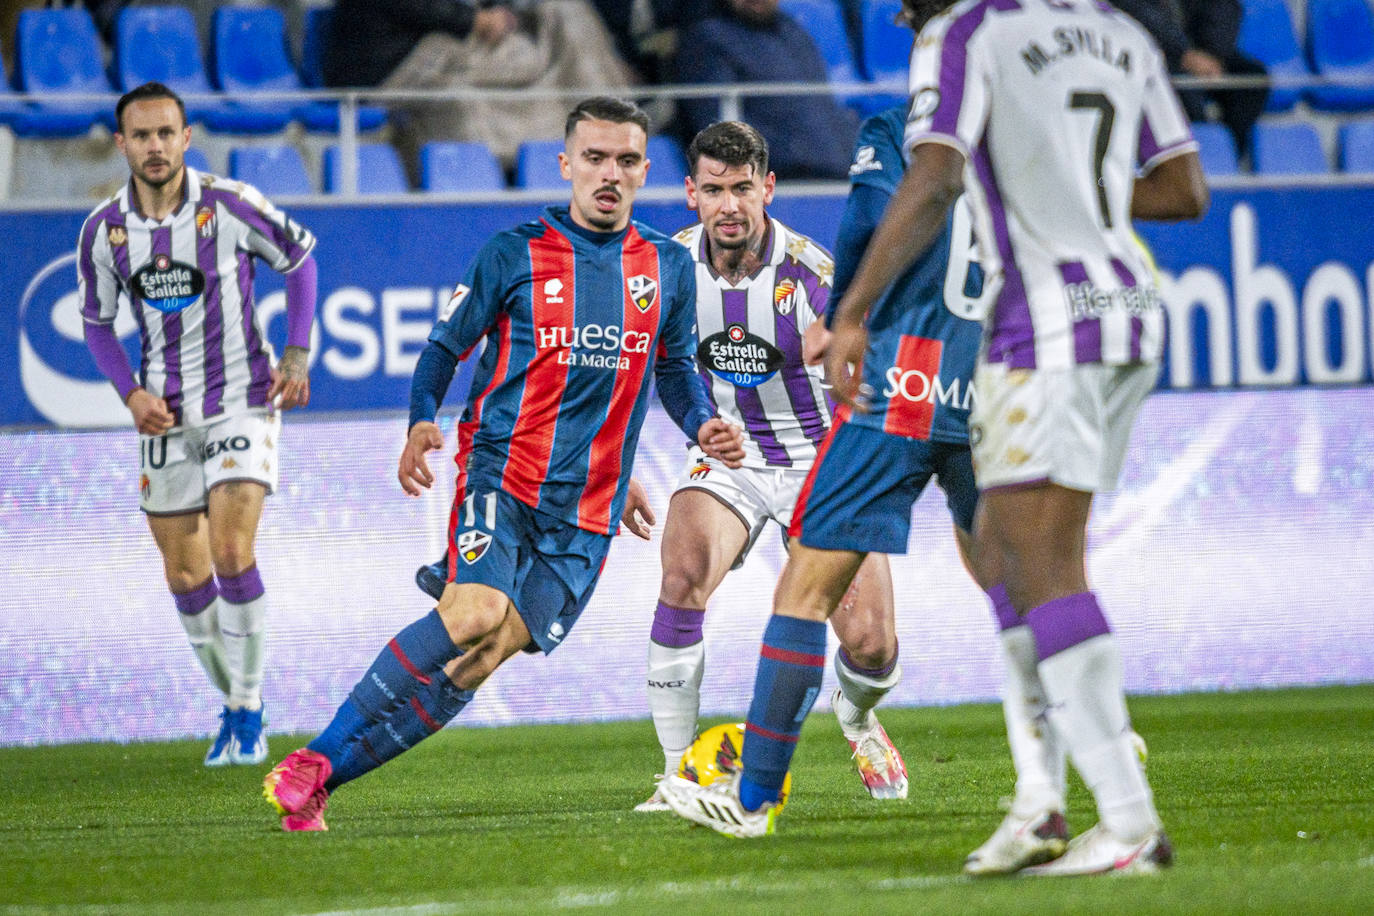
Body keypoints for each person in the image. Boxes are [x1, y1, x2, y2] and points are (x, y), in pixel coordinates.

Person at [663, 0, 1209, 878]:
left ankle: (755, 798)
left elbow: (917, 193)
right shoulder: (1119, 37)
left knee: (810, 587)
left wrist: (849, 314)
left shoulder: (929, 90)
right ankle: (1058, 784)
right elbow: (1184, 191)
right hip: (1069, 341)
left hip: (912, 378)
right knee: (1022, 577)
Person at [261, 96, 746, 832]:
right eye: (594, 158)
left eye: (625, 161)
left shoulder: (670, 266)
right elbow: (443, 348)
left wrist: (702, 422)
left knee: (484, 657)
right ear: (566, 165)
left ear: (646, 171)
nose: (608, 174)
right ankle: (314, 756)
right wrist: (423, 418)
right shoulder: (512, 251)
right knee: (473, 613)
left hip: (589, 509)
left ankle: (324, 781)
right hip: (502, 476)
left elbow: (673, 369)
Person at [631, 120, 907, 812]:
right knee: (682, 570)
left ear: (769, 189)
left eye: (744, 189)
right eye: (715, 190)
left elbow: (872, 367)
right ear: (691, 194)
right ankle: (676, 772)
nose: (730, 205)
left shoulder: (812, 275)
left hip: (823, 460)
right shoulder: (667, 270)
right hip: (730, 459)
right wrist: (698, 425)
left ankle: (857, 716)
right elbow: (653, 369)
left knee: (872, 644)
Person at [77, 81, 319, 767]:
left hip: (242, 396)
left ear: (187, 138)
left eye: (167, 134)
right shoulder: (104, 230)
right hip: (165, 412)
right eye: (142, 136)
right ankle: (243, 703)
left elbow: (299, 259)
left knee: (232, 552)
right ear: (122, 143)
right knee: (185, 577)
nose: (156, 147)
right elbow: (97, 325)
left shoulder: (230, 204)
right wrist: (129, 394)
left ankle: (244, 711)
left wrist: (296, 355)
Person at [324, 0, 636, 175]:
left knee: (560, 21)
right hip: (387, 69)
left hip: (432, 46)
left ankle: (609, 119)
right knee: (541, 47)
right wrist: (476, 20)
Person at [674, 0, 859, 180]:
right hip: (782, 184)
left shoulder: (793, 31)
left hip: (835, 174)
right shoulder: (708, 40)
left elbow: (823, 109)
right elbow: (719, 133)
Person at [1111, 0, 1268, 160]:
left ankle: (1230, 156)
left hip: (1204, 51)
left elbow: (1224, 8)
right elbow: (1134, 12)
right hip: (1157, 51)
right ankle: (1192, 157)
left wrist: (1213, 54)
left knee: (1252, 78)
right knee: (1182, 90)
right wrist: (1184, 53)